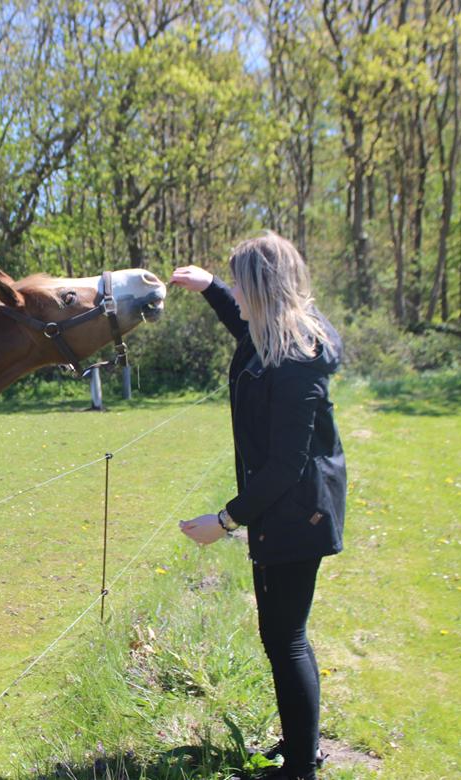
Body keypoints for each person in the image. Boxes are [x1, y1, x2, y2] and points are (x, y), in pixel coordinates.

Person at [170, 232, 346, 780]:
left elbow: (286, 466)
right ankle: (302, 747)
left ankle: (300, 767)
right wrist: (209, 287)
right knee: (283, 635)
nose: (236, 295)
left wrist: (224, 522)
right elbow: (240, 319)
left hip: (297, 514)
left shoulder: (293, 361)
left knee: (285, 638)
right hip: (287, 511)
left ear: (263, 290)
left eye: (239, 285)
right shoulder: (273, 337)